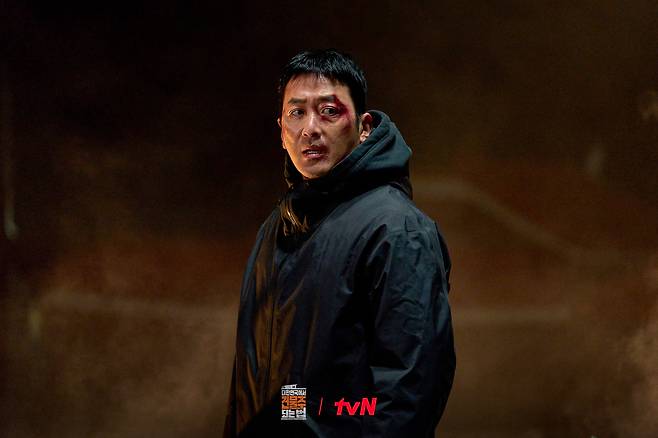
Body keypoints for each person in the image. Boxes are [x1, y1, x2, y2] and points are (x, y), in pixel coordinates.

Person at [223, 49, 455, 438]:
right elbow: (274, 390)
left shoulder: (396, 230)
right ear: (281, 130)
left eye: (329, 111)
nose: (310, 128)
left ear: (364, 127)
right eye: (296, 113)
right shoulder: (279, 228)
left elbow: (408, 395)